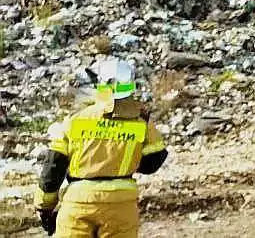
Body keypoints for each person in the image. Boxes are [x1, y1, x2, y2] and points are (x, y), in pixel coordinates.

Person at [34, 58, 168, 237]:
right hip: (122, 206)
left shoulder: (76, 120)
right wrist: (126, 160)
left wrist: (44, 207)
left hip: (78, 203)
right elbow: (154, 160)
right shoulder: (141, 122)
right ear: (131, 86)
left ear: (99, 85)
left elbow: (53, 167)